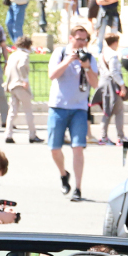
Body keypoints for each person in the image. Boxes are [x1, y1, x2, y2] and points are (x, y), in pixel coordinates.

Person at [47, 23, 99, 202]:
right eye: (79, 39)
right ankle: (63, 174)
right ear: (71, 38)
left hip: (79, 108)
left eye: (85, 40)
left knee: (78, 148)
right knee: (54, 149)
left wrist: (86, 67)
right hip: (58, 106)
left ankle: (78, 188)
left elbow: (94, 83)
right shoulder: (60, 53)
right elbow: (52, 75)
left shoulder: (90, 58)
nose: (82, 43)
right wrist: (68, 60)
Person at [3, 36, 40, 143]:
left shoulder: (13, 55)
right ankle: (32, 135)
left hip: (12, 85)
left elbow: (7, 70)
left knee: (12, 111)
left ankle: (8, 134)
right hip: (20, 85)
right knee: (28, 111)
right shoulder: (24, 55)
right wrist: (25, 80)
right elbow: (22, 66)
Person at [97, 31, 126, 145]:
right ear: (115, 42)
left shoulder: (102, 54)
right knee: (118, 111)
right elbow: (114, 72)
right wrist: (122, 85)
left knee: (107, 111)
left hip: (104, 84)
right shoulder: (113, 55)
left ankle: (104, 136)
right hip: (112, 86)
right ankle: (120, 137)